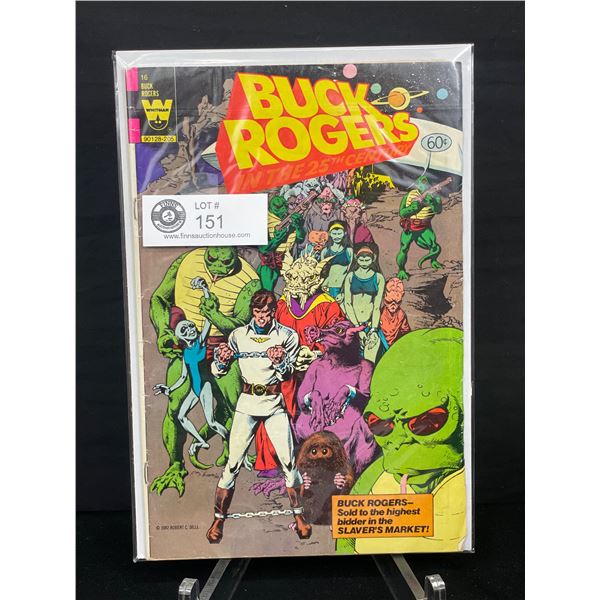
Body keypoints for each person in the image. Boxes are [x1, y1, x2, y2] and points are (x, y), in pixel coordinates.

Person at [206, 290, 311, 543]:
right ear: (252, 312)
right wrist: (221, 360)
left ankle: (299, 517)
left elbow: (287, 376)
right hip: (247, 403)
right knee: (233, 464)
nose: (261, 317)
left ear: (273, 311)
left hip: (274, 404)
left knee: (289, 464)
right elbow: (218, 371)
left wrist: (280, 361)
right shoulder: (238, 336)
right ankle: (218, 520)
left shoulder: (287, 335)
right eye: (257, 312)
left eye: (266, 312)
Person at [342, 243, 385, 363]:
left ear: (373, 259)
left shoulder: (378, 278)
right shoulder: (350, 276)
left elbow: (376, 307)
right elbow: (348, 303)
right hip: (352, 324)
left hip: (369, 326)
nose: (364, 262)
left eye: (367, 260)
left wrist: (373, 330)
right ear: (356, 258)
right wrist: (357, 328)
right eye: (361, 259)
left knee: (369, 361)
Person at [321, 221, 353, 299]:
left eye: (339, 234)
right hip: (328, 287)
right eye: (334, 234)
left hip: (343, 287)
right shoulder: (325, 252)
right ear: (329, 234)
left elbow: (350, 271)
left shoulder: (348, 251)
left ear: (345, 233)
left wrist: (343, 291)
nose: (337, 236)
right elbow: (323, 272)